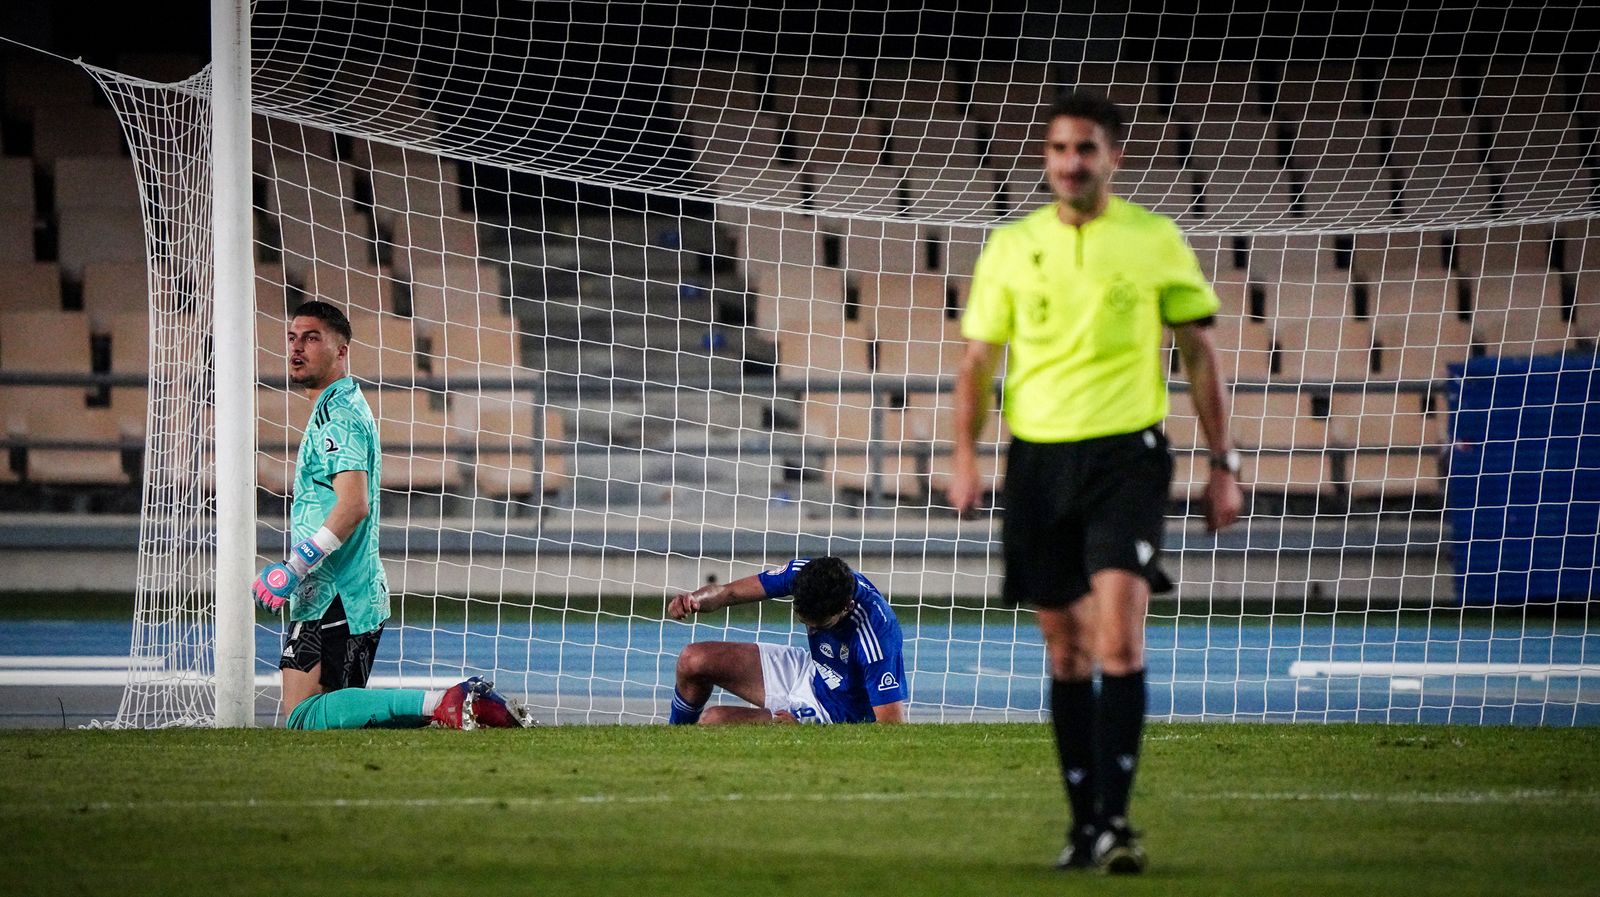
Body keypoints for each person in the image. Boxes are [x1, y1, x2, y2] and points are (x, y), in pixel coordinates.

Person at [948, 91, 1243, 874]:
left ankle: (1116, 822)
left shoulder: (1154, 240)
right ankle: (1085, 826)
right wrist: (967, 457)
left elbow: (1200, 352)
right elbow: (977, 361)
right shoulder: (1011, 247)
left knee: (1118, 634)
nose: (1071, 162)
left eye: (1086, 148)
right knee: (1065, 650)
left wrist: (1224, 464)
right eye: (1058, 149)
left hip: (1126, 458)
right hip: (1039, 462)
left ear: (1115, 155)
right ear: (1045, 159)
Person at [250, 300, 526, 730]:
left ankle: (447, 700)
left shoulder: (338, 416)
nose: (296, 348)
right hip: (338, 590)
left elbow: (353, 504)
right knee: (330, 719)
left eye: (311, 338)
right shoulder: (336, 407)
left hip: (336, 591)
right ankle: (455, 704)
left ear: (341, 350)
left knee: (304, 719)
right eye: (292, 338)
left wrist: (294, 566)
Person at [664, 556, 906, 725]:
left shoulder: (876, 635)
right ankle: (673, 740)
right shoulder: (804, 574)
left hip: (838, 714)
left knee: (714, 720)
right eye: (804, 620)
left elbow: (891, 728)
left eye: (819, 624)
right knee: (692, 659)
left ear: (846, 608)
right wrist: (696, 599)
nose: (811, 628)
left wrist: (810, 732)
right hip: (812, 672)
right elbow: (728, 592)